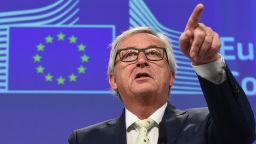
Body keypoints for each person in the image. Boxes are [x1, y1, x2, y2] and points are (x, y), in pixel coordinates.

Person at [68, 4, 255, 144]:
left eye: (154, 54)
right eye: (129, 55)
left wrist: (208, 62)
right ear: (113, 80)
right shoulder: (85, 140)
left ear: (171, 76)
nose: (142, 60)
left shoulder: (206, 125)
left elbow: (241, 134)